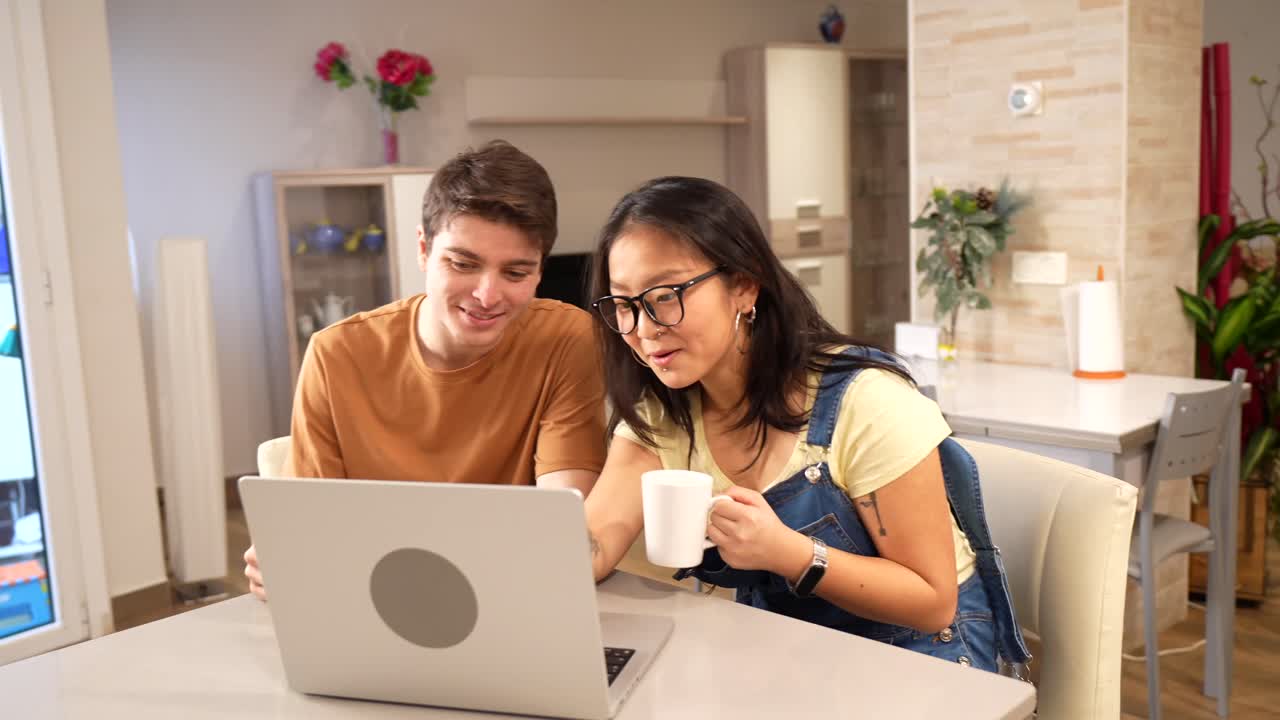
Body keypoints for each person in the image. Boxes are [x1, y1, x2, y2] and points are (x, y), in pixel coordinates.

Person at [581, 176, 1031, 674]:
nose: (644, 330)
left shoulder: (865, 402)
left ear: (745, 285)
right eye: (623, 305)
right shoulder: (664, 414)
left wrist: (786, 552)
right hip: (793, 649)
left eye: (666, 294)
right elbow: (595, 541)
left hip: (925, 654)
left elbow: (930, 600)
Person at [244, 140, 607, 600]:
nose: (488, 295)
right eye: (463, 264)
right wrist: (287, 563)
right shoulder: (335, 356)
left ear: (539, 272)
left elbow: (561, 527)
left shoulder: (567, 340)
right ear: (423, 248)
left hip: (509, 597)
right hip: (375, 599)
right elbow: (313, 536)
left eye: (515, 273)